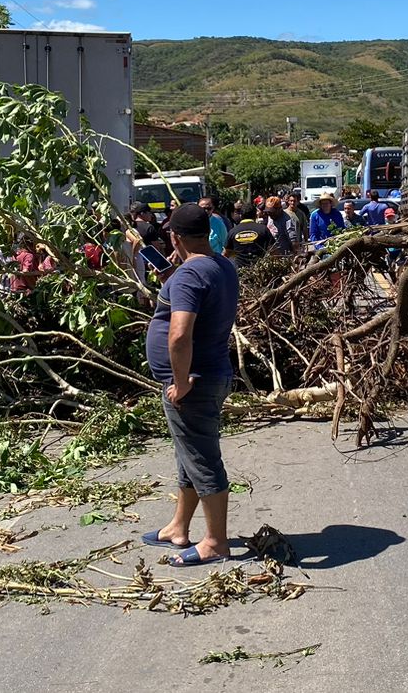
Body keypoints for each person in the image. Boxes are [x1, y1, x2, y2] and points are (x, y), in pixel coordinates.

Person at [142, 203, 240, 566]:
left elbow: (180, 335)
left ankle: (215, 541)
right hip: (213, 372)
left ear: (175, 236)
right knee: (189, 456)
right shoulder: (221, 267)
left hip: (194, 381)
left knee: (202, 459)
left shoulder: (188, 276)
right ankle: (178, 527)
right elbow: (193, 287)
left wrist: (181, 382)